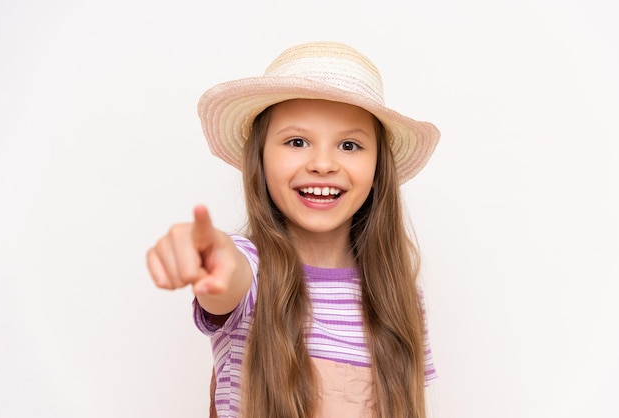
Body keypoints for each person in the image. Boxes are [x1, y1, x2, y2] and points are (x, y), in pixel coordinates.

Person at [146, 41, 440, 418]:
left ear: (378, 167)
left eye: (350, 145)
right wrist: (209, 257)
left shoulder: (400, 297)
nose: (322, 163)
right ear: (260, 157)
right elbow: (228, 273)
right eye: (297, 141)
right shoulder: (252, 273)